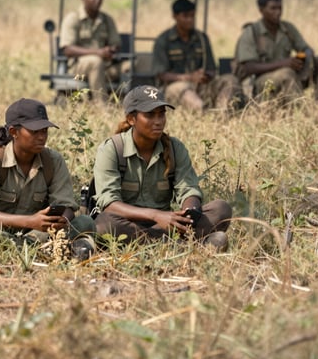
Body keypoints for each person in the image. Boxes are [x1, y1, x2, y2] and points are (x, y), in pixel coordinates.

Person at [91, 85, 232, 250]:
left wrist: (189, 210)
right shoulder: (113, 149)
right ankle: (183, 246)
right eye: (149, 115)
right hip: (127, 224)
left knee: (221, 209)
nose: (158, 121)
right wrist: (156, 215)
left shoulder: (174, 148)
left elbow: (188, 189)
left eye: (161, 114)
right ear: (131, 119)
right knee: (103, 224)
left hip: (167, 225)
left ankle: (156, 245)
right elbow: (109, 203)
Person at [0, 98, 98, 260]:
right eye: (34, 131)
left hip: (36, 233)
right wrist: (30, 221)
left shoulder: (53, 160)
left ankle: (25, 249)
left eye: (44, 130)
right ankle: (39, 251)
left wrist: (59, 219)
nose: (41, 137)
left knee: (85, 222)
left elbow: (66, 207)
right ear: (13, 132)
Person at [233, 0, 318, 102]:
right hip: (262, 80)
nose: (278, 12)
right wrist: (283, 64)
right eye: (273, 8)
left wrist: (304, 58)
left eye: (280, 8)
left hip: (291, 72)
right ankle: (300, 109)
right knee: (286, 73)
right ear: (261, 10)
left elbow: (307, 49)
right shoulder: (251, 32)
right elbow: (249, 67)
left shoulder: (287, 29)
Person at [152, 0, 244, 111]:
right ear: (175, 16)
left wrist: (205, 75)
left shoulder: (201, 38)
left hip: (202, 86)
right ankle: (202, 111)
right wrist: (189, 77)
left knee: (230, 79)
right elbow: (161, 74)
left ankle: (222, 110)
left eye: (192, 16)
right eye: (185, 16)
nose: (190, 20)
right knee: (181, 88)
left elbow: (211, 68)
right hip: (175, 86)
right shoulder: (164, 40)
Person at [59, 0, 121, 103]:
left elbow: (115, 43)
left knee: (135, 64)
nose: (97, 0)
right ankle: (102, 106)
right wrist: (98, 52)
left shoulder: (106, 20)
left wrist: (110, 50)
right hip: (78, 66)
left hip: (106, 64)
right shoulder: (73, 18)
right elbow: (68, 49)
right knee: (95, 62)